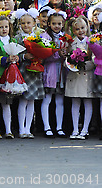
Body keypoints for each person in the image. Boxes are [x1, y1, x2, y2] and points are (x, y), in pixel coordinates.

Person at [14, 8, 44, 139]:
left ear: (34, 23)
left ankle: (28, 128)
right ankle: (21, 128)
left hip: (34, 72)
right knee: (23, 100)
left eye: (28, 23)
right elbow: (14, 54)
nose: (26, 25)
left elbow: (43, 52)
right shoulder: (17, 38)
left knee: (31, 100)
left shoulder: (38, 38)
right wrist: (24, 56)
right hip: (23, 71)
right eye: (23, 23)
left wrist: (40, 56)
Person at [65, 16, 94, 140]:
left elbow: (95, 59)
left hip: (87, 75)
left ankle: (85, 129)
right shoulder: (71, 43)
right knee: (75, 102)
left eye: (83, 27)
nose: (80, 31)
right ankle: (75, 128)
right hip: (74, 76)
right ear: (73, 30)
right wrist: (72, 64)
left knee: (88, 101)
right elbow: (66, 59)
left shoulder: (92, 42)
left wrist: (85, 65)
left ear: (87, 27)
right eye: (77, 29)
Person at [40, 10, 68, 138]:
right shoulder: (45, 37)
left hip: (61, 72)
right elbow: (44, 57)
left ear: (63, 24)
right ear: (49, 24)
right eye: (54, 23)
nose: (57, 26)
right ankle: (47, 127)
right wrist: (57, 54)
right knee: (47, 99)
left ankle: (59, 127)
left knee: (60, 100)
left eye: (59, 23)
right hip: (50, 72)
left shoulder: (65, 37)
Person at [0, 15, 17, 139]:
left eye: (6, 26)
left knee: (7, 104)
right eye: (1, 27)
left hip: (9, 77)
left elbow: (18, 55)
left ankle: (8, 130)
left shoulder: (13, 41)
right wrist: (6, 59)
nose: (4, 29)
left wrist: (16, 59)